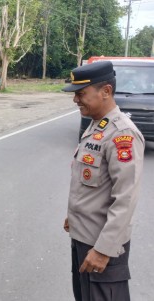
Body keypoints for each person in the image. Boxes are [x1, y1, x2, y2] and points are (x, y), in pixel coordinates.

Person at [62, 61, 145, 301]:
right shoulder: (97, 126)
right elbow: (91, 184)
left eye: (81, 94)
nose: (76, 100)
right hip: (83, 238)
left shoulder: (122, 134)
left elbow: (126, 199)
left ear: (106, 91)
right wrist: (75, 215)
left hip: (101, 246)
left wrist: (103, 249)